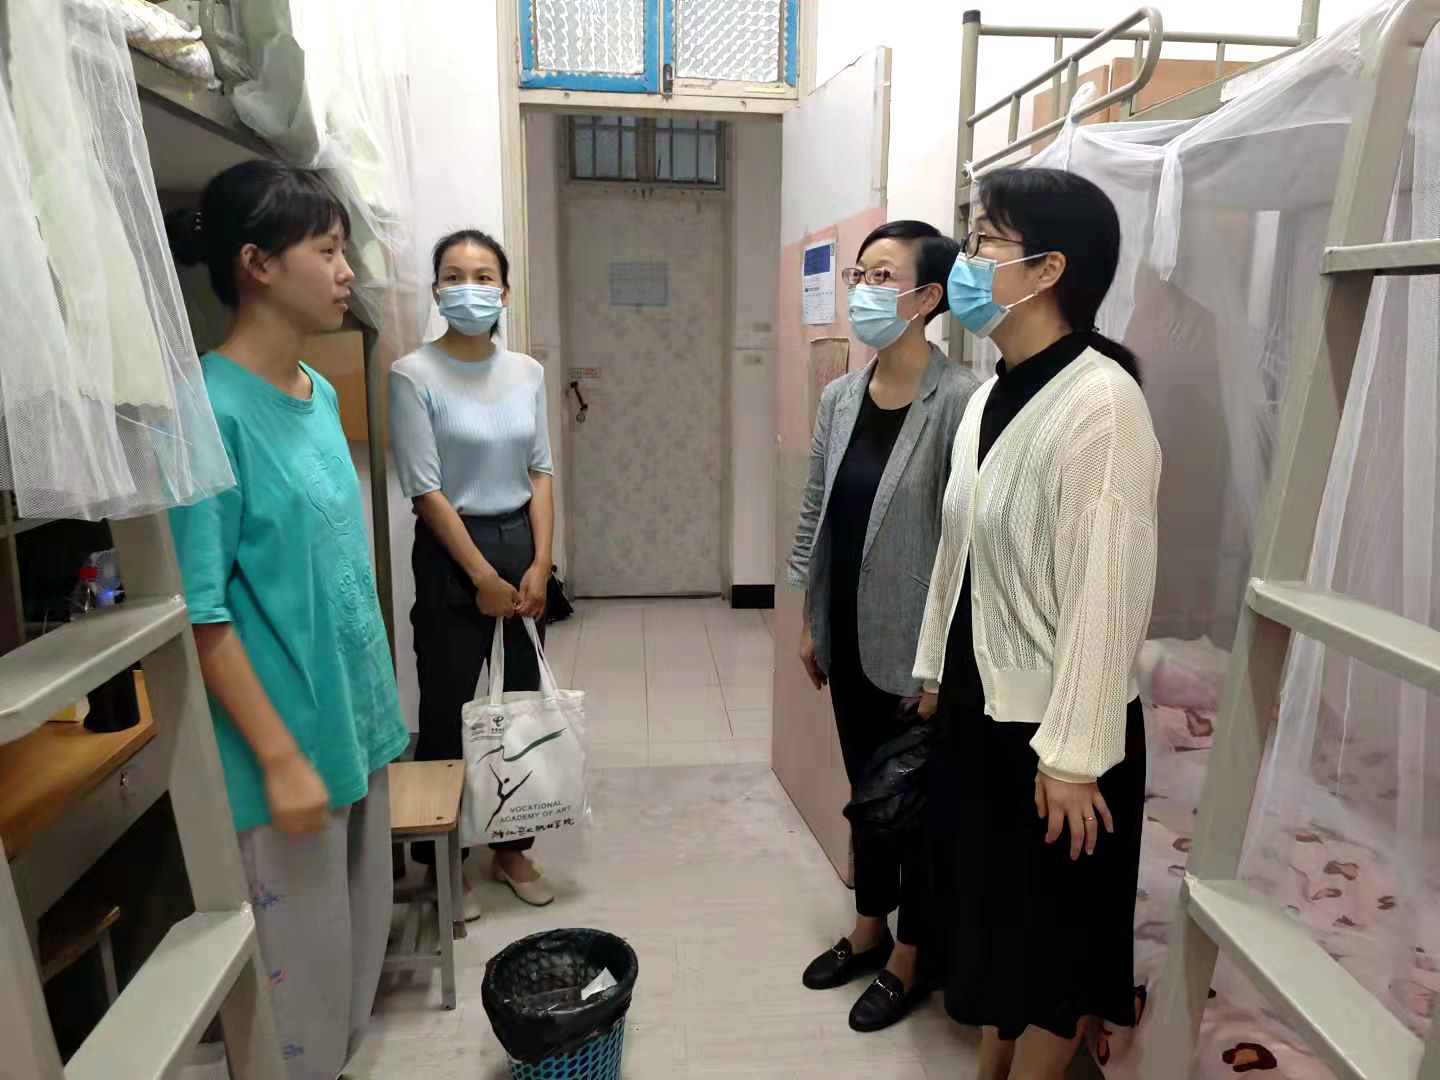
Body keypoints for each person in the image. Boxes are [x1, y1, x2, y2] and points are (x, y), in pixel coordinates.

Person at [914, 167, 1161, 1080]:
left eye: (984, 240)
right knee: (992, 920)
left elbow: (1109, 587)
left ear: (1049, 268)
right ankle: (992, 1066)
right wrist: (933, 667)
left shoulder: (1104, 404)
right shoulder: (992, 394)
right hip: (978, 710)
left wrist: (1075, 757)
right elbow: (959, 551)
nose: (966, 257)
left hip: (1056, 735)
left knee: (1053, 942)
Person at [166, 161, 409, 1080]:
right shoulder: (208, 411)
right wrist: (278, 758)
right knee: (297, 1006)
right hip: (284, 756)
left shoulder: (319, 389)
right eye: (329, 251)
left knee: (350, 977)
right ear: (257, 264)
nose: (347, 273)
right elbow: (199, 614)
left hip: (356, 726)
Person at [786, 220, 979, 1033]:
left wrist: (941, 666)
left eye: (881, 276)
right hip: (846, 633)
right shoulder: (840, 397)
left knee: (915, 810)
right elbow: (817, 512)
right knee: (865, 799)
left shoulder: (962, 399)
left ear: (927, 297)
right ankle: (868, 930)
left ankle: (911, 957)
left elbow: (967, 546)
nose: (863, 290)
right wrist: (810, 617)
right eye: (858, 274)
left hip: (916, 652)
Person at [388, 229, 557, 913]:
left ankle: (512, 847)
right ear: (436, 292)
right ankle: (443, 858)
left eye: (483, 276)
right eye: (454, 276)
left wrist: (541, 562)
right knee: (447, 707)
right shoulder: (413, 375)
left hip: (520, 539)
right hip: (450, 550)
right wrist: (481, 577)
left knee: (519, 705)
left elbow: (540, 470)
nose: (469, 288)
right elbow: (425, 490)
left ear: (504, 292)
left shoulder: (527, 373)